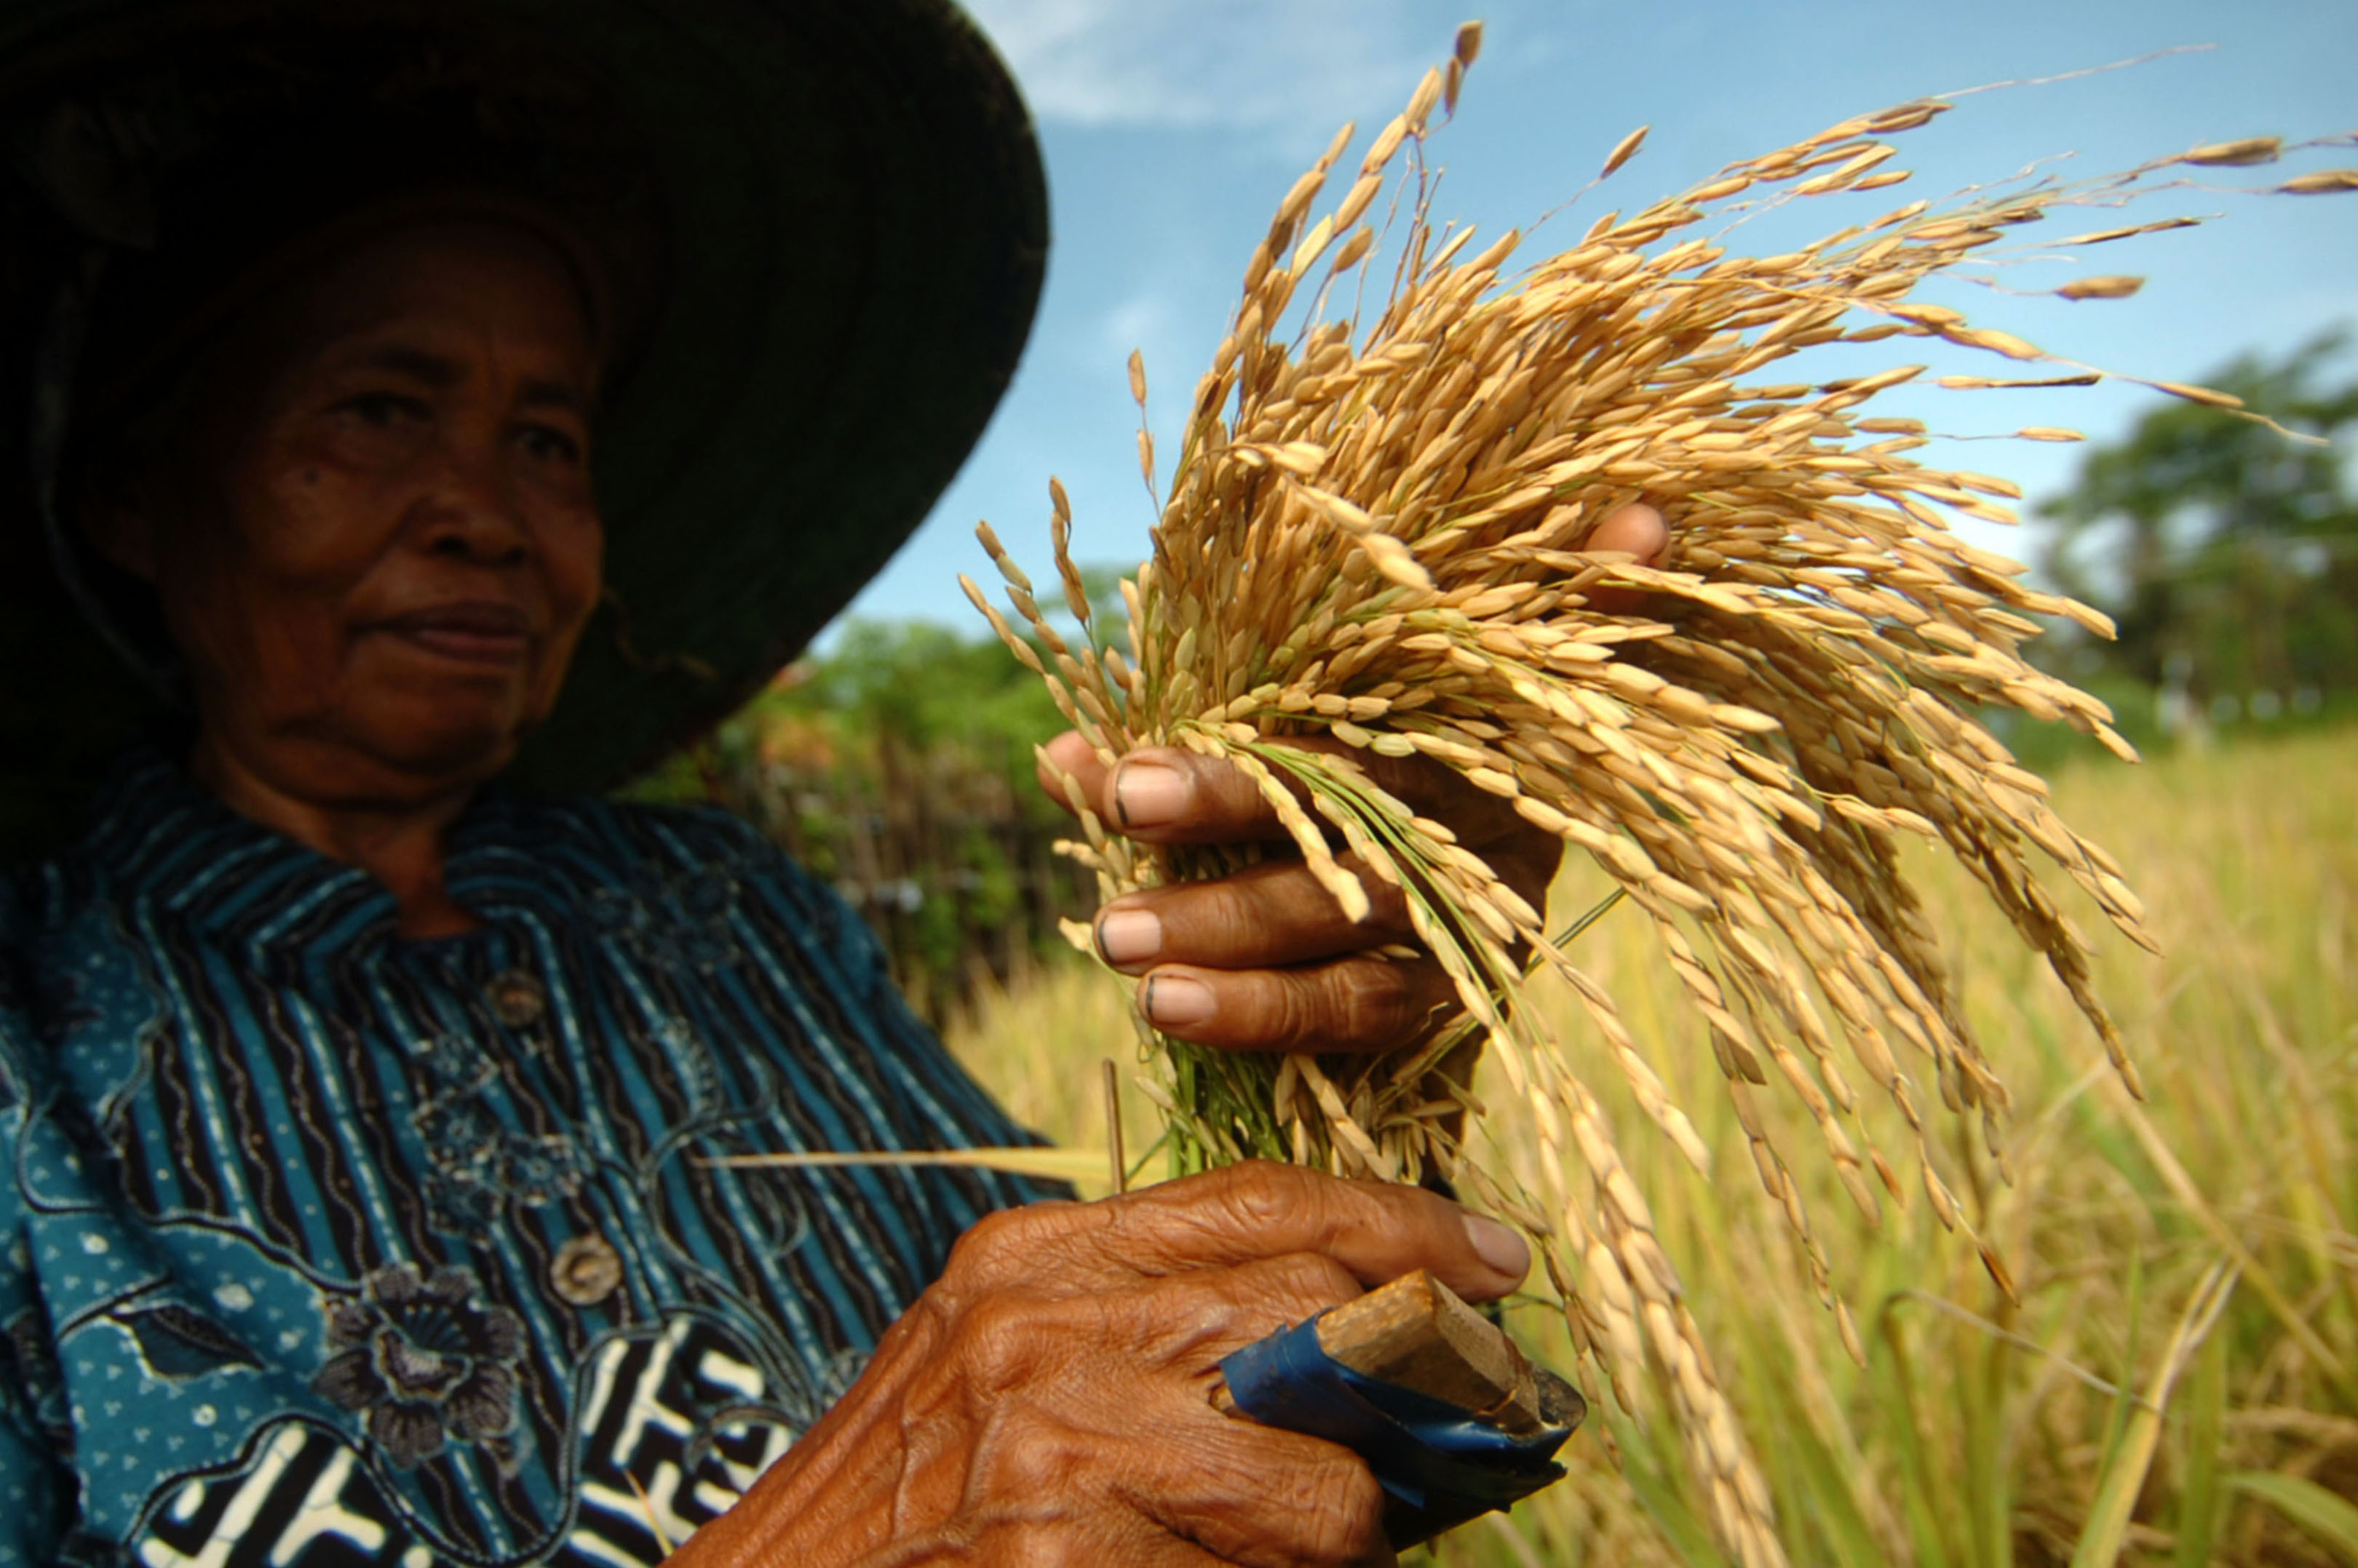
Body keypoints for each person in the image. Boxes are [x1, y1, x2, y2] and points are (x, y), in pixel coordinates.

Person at [0, 3, 1667, 1564]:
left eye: (550, 440)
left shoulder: (725, 910)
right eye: (377, 407)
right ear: (136, 497)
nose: (487, 513)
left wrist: (1374, 1063)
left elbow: (1169, 1417)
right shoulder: (34, 1061)